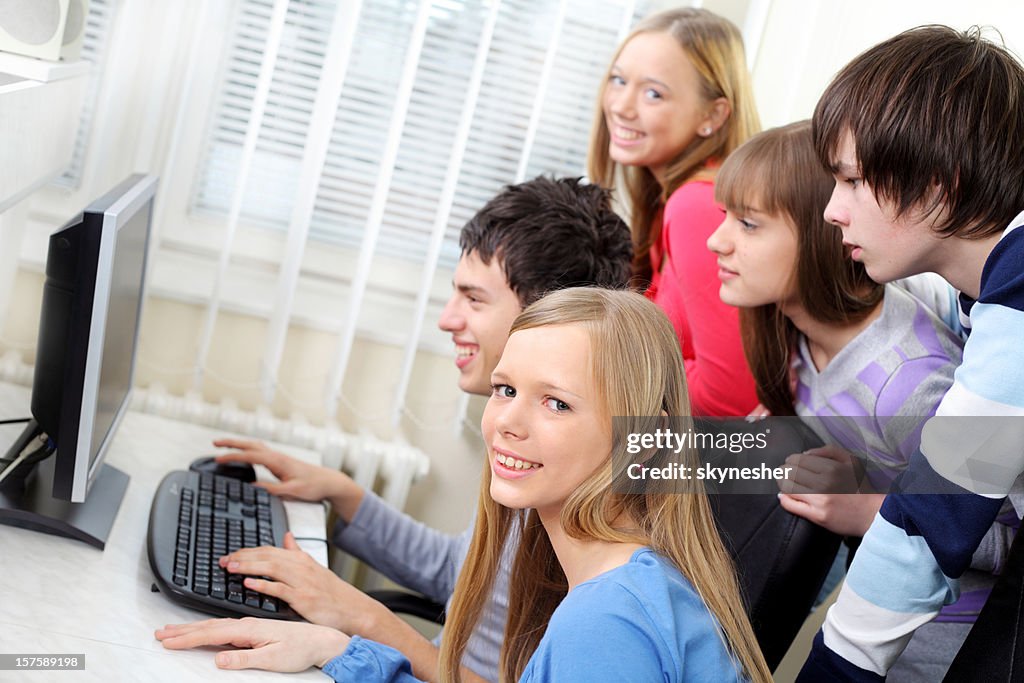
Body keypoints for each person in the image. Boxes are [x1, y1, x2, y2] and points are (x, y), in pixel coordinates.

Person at [157, 288, 773, 682]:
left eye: (555, 403)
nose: (506, 420)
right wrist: (342, 651)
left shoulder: (607, 621)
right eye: (506, 390)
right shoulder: (626, 578)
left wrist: (352, 643)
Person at [171, 176, 633, 682]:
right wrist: (346, 496)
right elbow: (465, 574)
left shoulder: (579, 493)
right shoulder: (525, 446)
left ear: (548, 316)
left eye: (474, 300)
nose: (446, 318)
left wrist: (359, 622)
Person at [708, 120, 1016, 680]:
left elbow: (1004, 545)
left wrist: (867, 508)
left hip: (931, 653)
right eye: (723, 217)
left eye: (749, 225)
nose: (717, 241)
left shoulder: (908, 383)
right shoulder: (795, 338)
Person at [793, 26, 1024, 681]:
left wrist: (836, 665)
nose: (833, 211)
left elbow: (937, 508)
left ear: (938, 182)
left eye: (853, 180)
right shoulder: (976, 299)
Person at [587, 7, 761, 417]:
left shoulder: (698, 207)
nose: (622, 106)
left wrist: (622, 371)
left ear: (712, 116)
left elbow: (728, 397)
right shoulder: (673, 198)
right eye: (618, 80)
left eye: (653, 93)